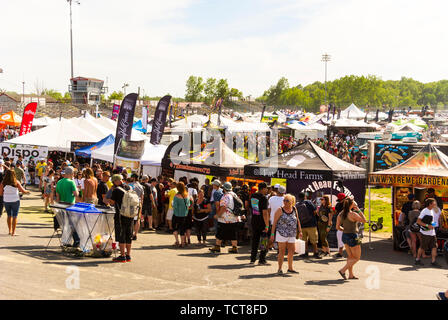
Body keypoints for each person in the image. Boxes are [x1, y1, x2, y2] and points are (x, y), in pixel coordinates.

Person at [270, 194, 302, 275]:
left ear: (292, 202)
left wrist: (300, 230)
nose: (285, 202)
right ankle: (280, 269)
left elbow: (297, 220)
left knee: (292, 251)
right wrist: (272, 234)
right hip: (281, 233)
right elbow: (274, 223)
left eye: (287, 200)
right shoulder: (280, 209)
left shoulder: (294, 209)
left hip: (292, 233)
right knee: (282, 251)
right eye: (284, 200)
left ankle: (290, 268)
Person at [336, 198, 367, 280]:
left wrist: (345, 230)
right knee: (356, 258)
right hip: (353, 236)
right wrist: (358, 210)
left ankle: (351, 275)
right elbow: (364, 220)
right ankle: (343, 270)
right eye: (354, 203)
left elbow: (337, 227)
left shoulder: (340, 214)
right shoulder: (352, 214)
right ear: (351, 205)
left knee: (350, 257)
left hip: (345, 236)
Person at [209, 182, 240, 253]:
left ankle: (217, 246)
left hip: (225, 218)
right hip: (234, 217)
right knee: (233, 233)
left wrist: (218, 215)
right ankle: (234, 247)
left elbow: (223, 207)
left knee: (220, 232)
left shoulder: (225, 196)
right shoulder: (234, 194)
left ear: (224, 189)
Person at [109, 174, 134, 263]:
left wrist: (111, 195)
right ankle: (128, 255)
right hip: (130, 215)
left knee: (121, 235)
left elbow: (112, 203)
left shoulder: (116, 190)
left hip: (121, 215)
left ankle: (122, 256)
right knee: (128, 235)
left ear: (116, 181)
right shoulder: (129, 187)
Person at [1, 169, 30, 236]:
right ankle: (13, 232)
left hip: (6, 200)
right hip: (15, 200)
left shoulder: (3, 183)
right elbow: (23, 191)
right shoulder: (16, 182)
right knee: (15, 216)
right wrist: (27, 192)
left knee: (9, 215)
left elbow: (1, 193)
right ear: (14, 174)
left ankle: (9, 231)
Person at [55, 166, 79, 246]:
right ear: (71, 173)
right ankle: (76, 241)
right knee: (72, 224)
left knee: (65, 224)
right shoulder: (71, 182)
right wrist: (78, 191)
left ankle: (66, 241)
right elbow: (76, 194)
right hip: (70, 205)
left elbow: (57, 196)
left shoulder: (59, 182)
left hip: (61, 205)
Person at [415, 198, 442, 267]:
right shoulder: (424, 211)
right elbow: (418, 221)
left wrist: (433, 225)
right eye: (434, 203)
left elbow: (431, 221)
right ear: (430, 204)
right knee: (423, 247)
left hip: (432, 232)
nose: (435, 204)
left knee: (434, 246)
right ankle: (417, 260)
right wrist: (427, 225)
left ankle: (433, 261)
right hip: (425, 232)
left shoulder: (432, 210)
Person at [249, 182, 270, 265]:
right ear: (263, 189)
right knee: (264, 241)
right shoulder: (263, 198)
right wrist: (267, 224)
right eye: (266, 188)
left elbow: (252, 208)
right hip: (262, 222)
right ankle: (262, 259)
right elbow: (265, 213)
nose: (267, 190)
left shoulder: (253, 196)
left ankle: (252, 259)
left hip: (254, 220)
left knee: (255, 241)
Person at [295, 192, 321, 259]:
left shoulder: (297, 204)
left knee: (304, 240)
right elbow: (315, 211)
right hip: (311, 224)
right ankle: (315, 253)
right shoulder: (309, 202)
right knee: (314, 240)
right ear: (305, 197)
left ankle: (305, 252)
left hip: (302, 224)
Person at [172, 182, 192, 248]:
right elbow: (189, 205)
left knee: (175, 228)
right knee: (182, 229)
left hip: (176, 214)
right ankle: (183, 243)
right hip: (184, 215)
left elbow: (175, 206)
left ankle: (177, 241)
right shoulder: (187, 195)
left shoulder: (176, 196)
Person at [128, 174, 144, 241]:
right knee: (137, 219)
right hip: (139, 203)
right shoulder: (141, 186)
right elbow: (142, 197)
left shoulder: (130, 185)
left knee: (130, 218)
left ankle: (130, 233)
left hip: (131, 203)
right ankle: (135, 234)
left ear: (133, 178)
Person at [334, 193, 346, 258]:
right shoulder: (338, 204)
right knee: (340, 240)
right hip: (340, 224)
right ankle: (340, 253)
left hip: (347, 225)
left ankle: (342, 253)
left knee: (348, 241)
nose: (340, 201)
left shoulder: (349, 205)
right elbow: (335, 212)